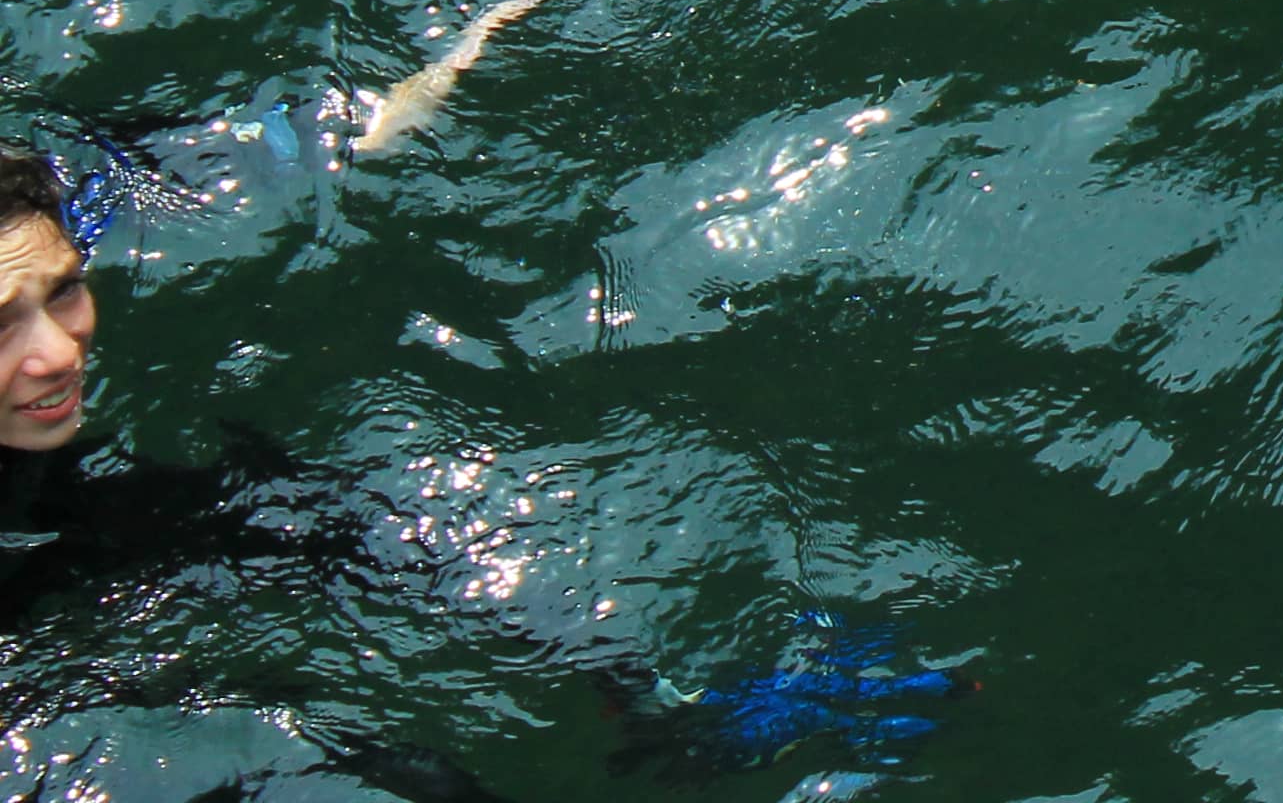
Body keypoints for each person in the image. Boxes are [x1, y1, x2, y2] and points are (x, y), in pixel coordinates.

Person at [1, 132, 960, 789]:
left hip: (61, 504)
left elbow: (155, 167)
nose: (57, 352)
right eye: (2, 322)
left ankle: (658, 705)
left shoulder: (41, 223)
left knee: (323, 510)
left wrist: (346, 125)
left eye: (65, 293)